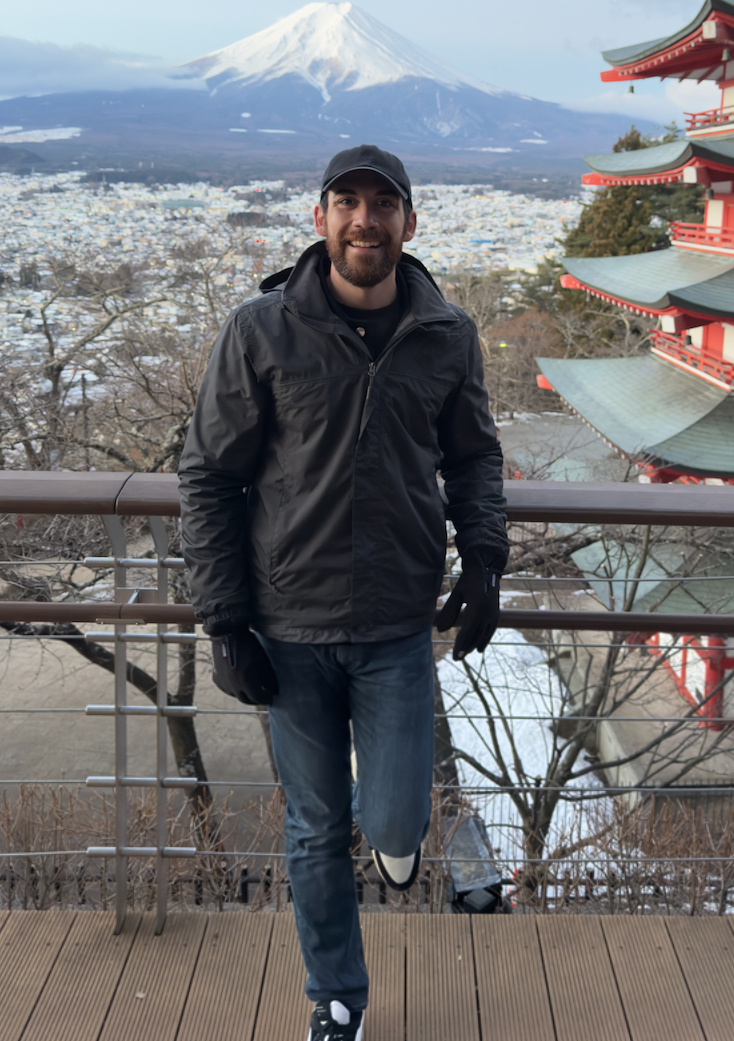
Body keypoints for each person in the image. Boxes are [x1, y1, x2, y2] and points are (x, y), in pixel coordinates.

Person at [179, 143, 508, 1041]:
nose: (366, 220)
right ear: (320, 217)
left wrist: (485, 559)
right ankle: (336, 999)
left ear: (410, 221)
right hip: (289, 623)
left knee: (398, 820)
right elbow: (209, 475)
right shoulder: (263, 330)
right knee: (316, 826)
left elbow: (474, 457)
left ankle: (394, 842)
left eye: (383, 204)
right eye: (348, 202)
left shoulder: (446, 334)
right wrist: (224, 620)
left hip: (397, 620)